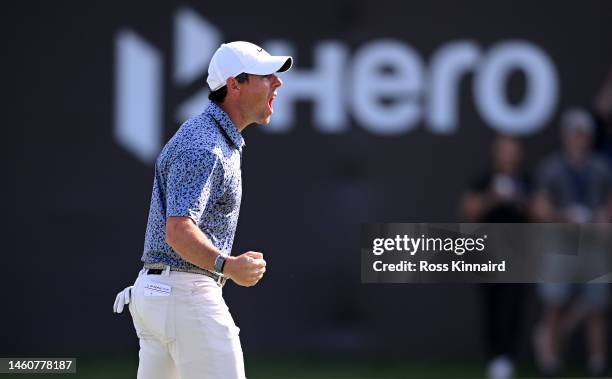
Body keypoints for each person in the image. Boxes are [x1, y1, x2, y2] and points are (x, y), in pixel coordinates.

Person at [112, 41, 293, 379]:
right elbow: (178, 229)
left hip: (160, 296)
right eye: (266, 76)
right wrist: (228, 266)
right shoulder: (205, 145)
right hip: (186, 297)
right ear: (234, 85)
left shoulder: (214, 138)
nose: (278, 83)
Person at [532, 108, 612, 377]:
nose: (580, 139)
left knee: (597, 306)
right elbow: (541, 209)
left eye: (584, 134)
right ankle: (550, 361)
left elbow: (608, 204)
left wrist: (602, 219)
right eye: (575, 134)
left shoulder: (601, 168)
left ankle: (598, 361)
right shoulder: (551, 168)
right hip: (562, 242)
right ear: (566, 136)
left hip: (593, 244)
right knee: (554, 303)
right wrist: (564, 217)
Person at [460, 135, 531, 379]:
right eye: (504, 150)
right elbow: (469, 210)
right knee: (491, 307)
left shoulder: (527, 181)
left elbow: (543, 212)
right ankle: (494, 358)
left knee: (513, 307)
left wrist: (520, 200)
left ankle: (507, 358)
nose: (509, 155)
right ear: (496, 153)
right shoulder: (484, 180)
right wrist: (493, 197)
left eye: (513, 150)